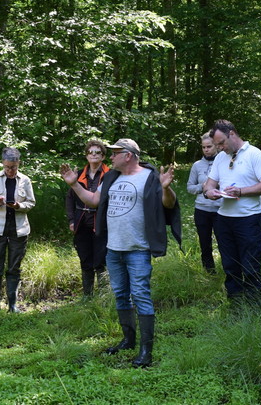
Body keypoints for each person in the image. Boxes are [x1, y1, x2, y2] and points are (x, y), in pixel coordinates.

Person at [60, 138, 181, 368]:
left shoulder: (150, 176)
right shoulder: (112, 177)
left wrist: (166, 189)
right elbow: (94, 201)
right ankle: (128, 340)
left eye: (115, 152)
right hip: (113, 248)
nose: (110, 156)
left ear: (128, 155)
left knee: (141, 295)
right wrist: (75, 184)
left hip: (138, 248)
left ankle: (146, 350)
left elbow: (168, 204)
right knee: (121, 294)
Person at [203, 120, 261, 309]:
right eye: (216, 144)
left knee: (250, 264)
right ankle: (235, 304)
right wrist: (209, 192)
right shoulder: (220, 158)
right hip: (224, 218)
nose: (219, 148)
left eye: (221, 143)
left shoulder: (254, 154)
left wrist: (241, 192)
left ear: (232, 134)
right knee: (230, 264)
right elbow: (209, 184)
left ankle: (254, 306)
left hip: (248, 219)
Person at [0, 147, 36, 314]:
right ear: (3, 164)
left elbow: (31, 203)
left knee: (14, 267)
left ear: (18, 163)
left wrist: (19, 206)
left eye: (13, 167)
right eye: (6, 167)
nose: (9, 170)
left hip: (18, 230)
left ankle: (12, 306)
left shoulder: (25, 180)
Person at [64, 140, 110, 297]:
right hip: (81, 222)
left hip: (101, 223)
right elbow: (70, 198)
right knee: (85, 258)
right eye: (91, 152)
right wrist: (71, 220)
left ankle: (104, 295)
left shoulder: (109, 175)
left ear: (103, 156)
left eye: (98, 152)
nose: (94, 155)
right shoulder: (78, 175)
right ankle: (87, 296)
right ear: (86, 155)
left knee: (101, 259)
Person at [186, 133, 222, 274]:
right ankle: (209, 272)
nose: (206, 149)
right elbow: (190, 187)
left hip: (221, 209)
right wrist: (203, 187)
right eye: (203, 147)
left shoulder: (224, 161)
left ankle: (228, 269)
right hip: (202, 209)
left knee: (224, 242)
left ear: (216, 146)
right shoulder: (197, 165)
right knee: (205, 243)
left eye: (209, 146)